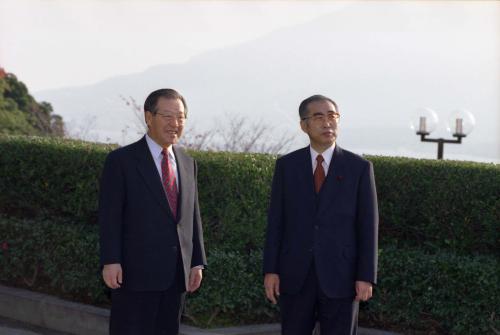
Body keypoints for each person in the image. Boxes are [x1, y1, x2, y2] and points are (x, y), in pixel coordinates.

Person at [263, 95, 379, 335]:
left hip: (342, 277)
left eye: (332, 117)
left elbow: (368, 226)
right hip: (295, 275)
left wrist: (366, 276)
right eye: (319, 117)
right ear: (304, 125)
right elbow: (276, 222)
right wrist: (271, 270)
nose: (328, 123)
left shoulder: (358, 168)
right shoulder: (287, 166)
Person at [99, 88, 206, 335]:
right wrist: (110, 260)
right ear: (148, 117)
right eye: (167, 116)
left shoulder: (188, 162)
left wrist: (197, 261)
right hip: (133, 274)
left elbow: (192, 216)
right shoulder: (122, 161)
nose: (175, 123)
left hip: (176, 275)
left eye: (180, 117)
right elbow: (109, 216)